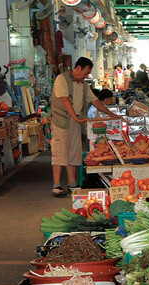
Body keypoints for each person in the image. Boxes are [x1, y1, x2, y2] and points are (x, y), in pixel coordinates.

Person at [50, 57, 120, 197]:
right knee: (59, 151)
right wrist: (76, 118)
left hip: (76, 121)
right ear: (78, 68)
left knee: (73, 152)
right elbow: (65, 101)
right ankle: (56, 186)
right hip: (61, 120)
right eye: (86, 72)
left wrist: (111, 114)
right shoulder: (62, 79)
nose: (87, 75)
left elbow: (95, 101)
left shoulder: (83, 84)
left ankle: (72, 184)